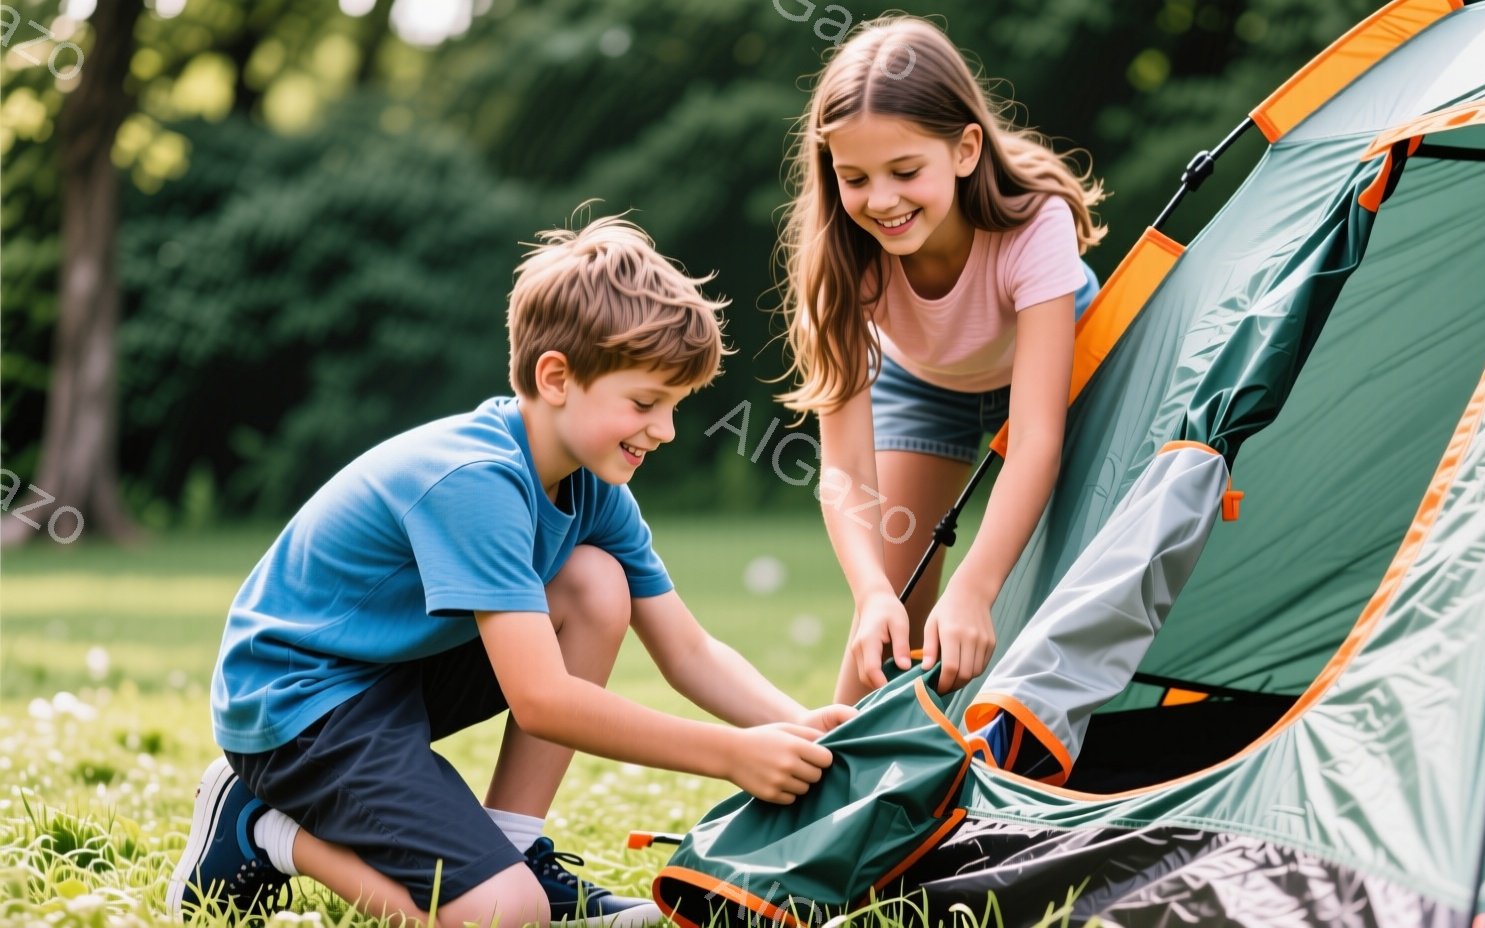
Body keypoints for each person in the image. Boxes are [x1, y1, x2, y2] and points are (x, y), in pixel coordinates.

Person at [167, 214, 856, 928]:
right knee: (504, 915)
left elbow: (688, 650)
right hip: (296, 705)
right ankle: (258, 827)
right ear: (556, 377)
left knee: (594, 581)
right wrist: (732, 755)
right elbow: (544, 701)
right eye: (646, 403)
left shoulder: (594, 488)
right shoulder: (477, 481)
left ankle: (514, 847)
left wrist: (804, 729)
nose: (666, 430)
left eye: (675, 407)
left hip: (389, 678)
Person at [774, 16, 1106, 704]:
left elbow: (1036, 438)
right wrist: (870, 594)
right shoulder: (847, 254)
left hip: (1066, 372)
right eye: (855, 177)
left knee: (1041, 584)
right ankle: (837, 782)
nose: (882, 200)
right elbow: (844, 473)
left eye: (905, 171)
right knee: (893, 609)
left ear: (965, 150)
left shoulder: (1032, 222)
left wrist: (976, 589)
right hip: (927, 382)